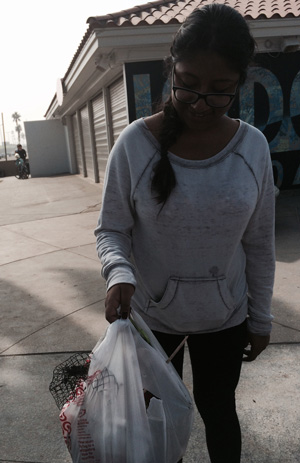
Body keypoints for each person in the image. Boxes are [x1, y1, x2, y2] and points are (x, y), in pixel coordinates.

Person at [94, 4, 275, 462]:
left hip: (226, 318)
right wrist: (119, 273)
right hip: (153, 322)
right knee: (159, 425)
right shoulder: (135, 144)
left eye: (219, 91)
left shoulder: (251, 147)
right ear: (171, 68)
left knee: (219, 412)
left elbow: (259, 243)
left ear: (240, 83)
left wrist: (260, 318)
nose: (199, 103)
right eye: (188, 84)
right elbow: (112, 227)